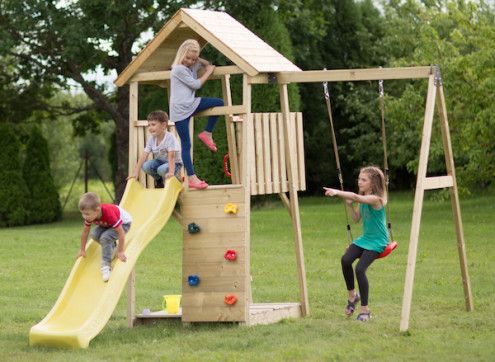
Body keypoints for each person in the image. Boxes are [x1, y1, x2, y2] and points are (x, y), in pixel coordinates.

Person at [323, 166, 389, 322]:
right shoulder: (364, 199)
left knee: (360, 269)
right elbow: (356, 218)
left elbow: (355, 196)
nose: (359, 182)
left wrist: (337, 192)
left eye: (363, 180)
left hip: (378, 241)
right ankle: (353, 296)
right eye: (359, 179)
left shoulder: (375, 199)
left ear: (373, 183)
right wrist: (349, 205)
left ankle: (365, 310)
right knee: (345, 260)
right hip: (366, 239)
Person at [170, 38, 224, 190]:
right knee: (186, 145)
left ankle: (206, 133)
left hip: (190, 104)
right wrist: (208, 72)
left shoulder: (191, 65)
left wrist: (197, 57)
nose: (189, 61)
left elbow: (207, 63)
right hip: (181, 109)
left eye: (192, 59)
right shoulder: (178, 69)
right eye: (187, 57)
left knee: (219, 103)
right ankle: (192, 178)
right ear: (181, 54)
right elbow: (196, 84)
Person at [77, 192, 132, 282]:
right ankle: (112, 247)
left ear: (97, 210)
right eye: (82, 213)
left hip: (124, 224)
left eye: (87, 214)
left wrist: (120, 251)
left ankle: (106, 266)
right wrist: (82, 250)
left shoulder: (109, 213)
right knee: (94, 235)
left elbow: (121, 233)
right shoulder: (91, 216)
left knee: (105, 237)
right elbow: (85, 232)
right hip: (107, 225)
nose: (84, 216)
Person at [128, 110, 183, 188]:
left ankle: (176, 179)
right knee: (146, 166)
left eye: (153, 124)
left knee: (161, 170)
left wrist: (171, 172)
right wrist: (135, 172)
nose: (150, 128)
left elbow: (172, 156)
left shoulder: (170, 137)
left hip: (175, 164)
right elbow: (144, 155)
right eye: (149, 125)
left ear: (163, 125)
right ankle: (159, 180)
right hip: (161, 162)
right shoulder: (151, 139)